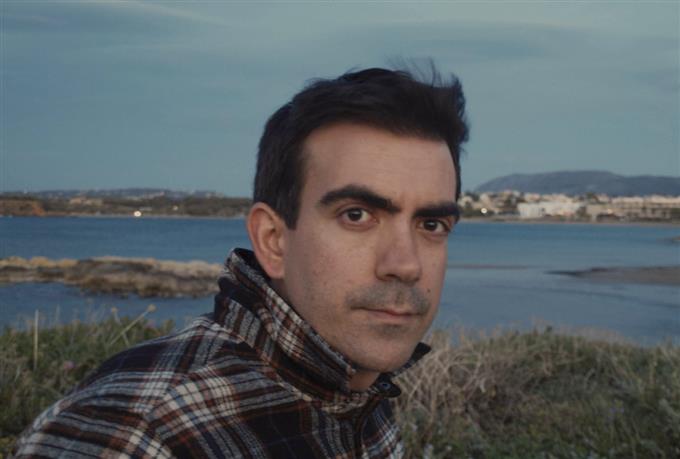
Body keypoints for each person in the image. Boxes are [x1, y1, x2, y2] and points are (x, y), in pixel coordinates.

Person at [14, 65, 469, 458]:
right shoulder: (137, 434)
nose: (405, 265)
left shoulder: (360, 396)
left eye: (431, 224)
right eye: (357, 215)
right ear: (273, 240)